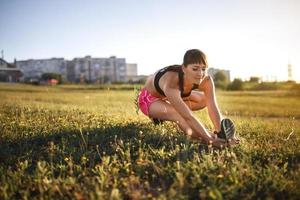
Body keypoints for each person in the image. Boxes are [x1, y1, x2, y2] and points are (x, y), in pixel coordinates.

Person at [138, 49, 239, 148]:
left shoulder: (206, 79)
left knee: (205, 100)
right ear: (184, 68)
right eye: (195, 69)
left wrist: (220, 131)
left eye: (203, 69)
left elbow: (212, 104)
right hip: (149, 99)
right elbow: (188, 117)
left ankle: (218, 136)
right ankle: (159, 115)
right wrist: (210, 139)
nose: (200, 73)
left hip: (169, 97)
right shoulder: (172, 81)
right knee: (179, 115)